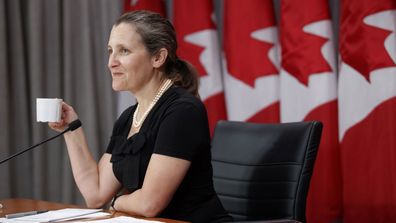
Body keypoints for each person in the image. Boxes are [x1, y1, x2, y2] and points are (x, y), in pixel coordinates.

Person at [49, 10, 232, 222]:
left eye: (124, 51)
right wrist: (71, 129)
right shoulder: (129, 117)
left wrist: (117, 202)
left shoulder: (182, 111)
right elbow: (96, 194)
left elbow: (149, 204)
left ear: (158, 57)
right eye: (110, 51)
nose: (111, 62)